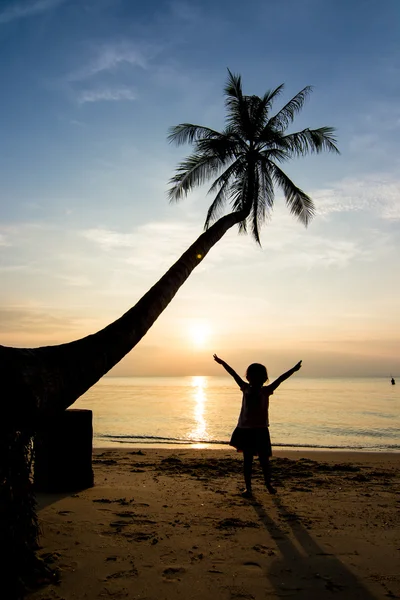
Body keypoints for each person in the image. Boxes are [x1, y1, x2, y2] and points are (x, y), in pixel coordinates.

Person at [213, 354, 302, 497]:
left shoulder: (266, 390)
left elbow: (281, 378)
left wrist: (293, 369)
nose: (255, 379)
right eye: (253, 376)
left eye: (259, 376)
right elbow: (233, 374)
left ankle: (268, 484)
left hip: (261, 430)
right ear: (249, 378)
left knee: (264, 460)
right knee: (247, 460)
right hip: (245, 430)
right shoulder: (245, 388)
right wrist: (222, 362)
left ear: (264, 378)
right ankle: (248, 488)